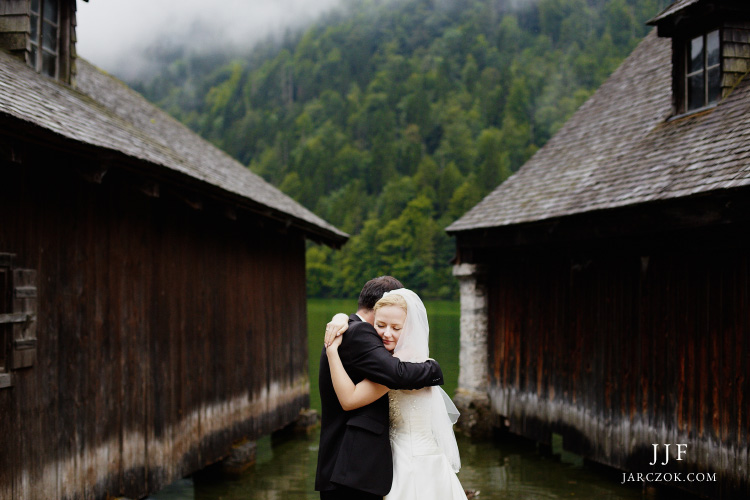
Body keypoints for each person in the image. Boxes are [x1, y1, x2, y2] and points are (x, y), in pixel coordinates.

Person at [325, 288, 467, 500]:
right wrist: (341, 317)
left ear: (409, 328)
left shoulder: (398, 368)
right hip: (410, 456)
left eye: (396, 328)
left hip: (412, 462)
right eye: (380, 326)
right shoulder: (406, 359)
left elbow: (350, 400)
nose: (386, 333)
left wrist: (331, 352)